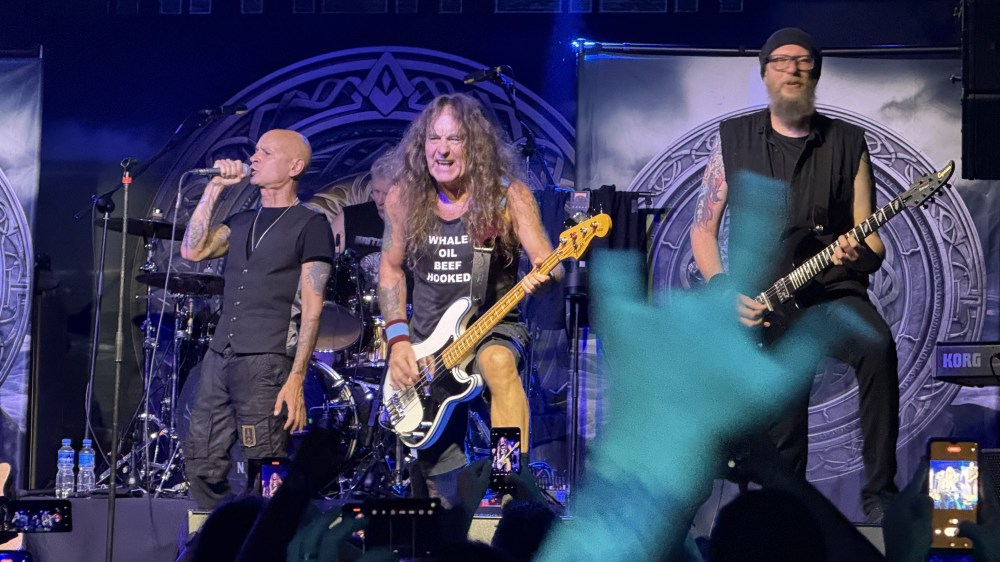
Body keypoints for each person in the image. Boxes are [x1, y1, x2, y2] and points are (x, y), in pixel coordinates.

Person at [688, 27, 899, 522]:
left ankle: (881, 497)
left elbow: (873, 241)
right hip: (763, 303)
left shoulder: (849, 143)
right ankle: (779, 523)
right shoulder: (733, 140)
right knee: (783, 441)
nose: (793, 69)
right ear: (765, 73)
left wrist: (856, 253)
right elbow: (702, 230)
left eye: (803, 61)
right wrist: (724, 290)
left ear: (815, 74)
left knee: (877, 346)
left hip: (831, 296)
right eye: (781, 61)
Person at [378, 93, 562, 507]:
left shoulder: (508, 197)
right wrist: (399, 342)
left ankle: (507, 478)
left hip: (494, 324)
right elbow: (390, 270)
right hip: (429, 349)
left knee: (497, 362)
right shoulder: (403, 197)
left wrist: (545, 274)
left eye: (454, 139)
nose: (441, 150)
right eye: (434, 138)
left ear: (474, 146)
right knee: (443, 493)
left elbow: (550, 264)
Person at [180, 129, 335, 509]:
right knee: (201, 457)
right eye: (255, 152)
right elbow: (192, 250)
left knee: (264, 463)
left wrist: (296, 378)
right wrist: (215, 188)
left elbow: (312, 309)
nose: (254, 158)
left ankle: (264, 534)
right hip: (221, 353)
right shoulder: (241, 220)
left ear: (294, 167)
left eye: (266, 153)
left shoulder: (310, 224)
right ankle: (219, 531)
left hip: (266, 358)